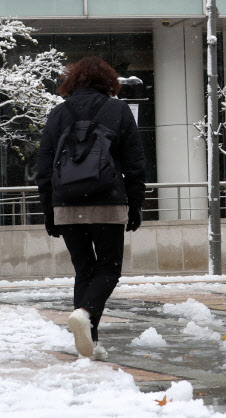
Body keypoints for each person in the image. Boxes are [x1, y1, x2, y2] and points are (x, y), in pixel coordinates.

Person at [36, 56, 146, 360]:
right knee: (109, 268)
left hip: (67, 204)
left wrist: (49, 211)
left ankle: (91, 342)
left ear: (72, 83)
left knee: (84, 270)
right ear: (108, 82)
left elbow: (44, 168)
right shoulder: (118, 110)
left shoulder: (58, 114)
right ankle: (84, 313)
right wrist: (135, 205)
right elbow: (135, 165)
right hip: (107, 201)